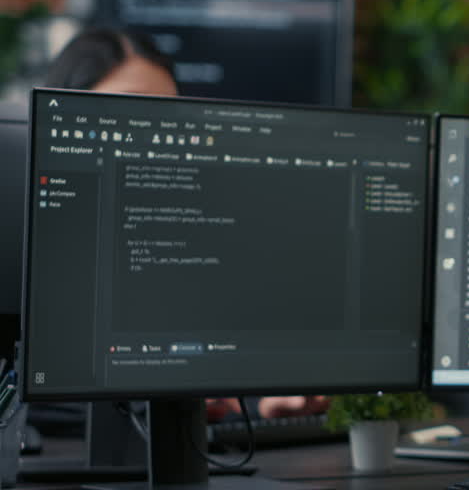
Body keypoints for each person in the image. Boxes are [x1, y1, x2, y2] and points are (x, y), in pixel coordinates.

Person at [39, 27, 326, 426]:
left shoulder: (204, 237)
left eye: (167, 115)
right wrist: (152, 404)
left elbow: (232, 357)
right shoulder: (43, 241)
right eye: (132, 110)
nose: (155, 134)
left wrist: (261, 403)